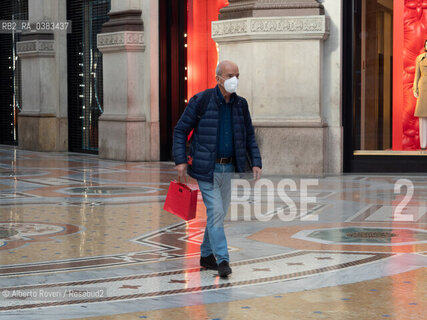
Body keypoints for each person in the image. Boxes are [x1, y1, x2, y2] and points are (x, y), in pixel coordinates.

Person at [172, 60, 262, 277]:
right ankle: (223, 260)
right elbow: (180, 130)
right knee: (216, 212)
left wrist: (256, 161)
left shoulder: (241, 105)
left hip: (229, 168)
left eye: (237, 75)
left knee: (217, 216)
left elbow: (249, 135)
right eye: (230, 75)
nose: (234, 80)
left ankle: (205, 255)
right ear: (218, 78)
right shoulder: (201, 100)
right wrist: (180, 160)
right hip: (206, 169)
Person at [413, 39, 427, 150]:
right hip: (423, 88)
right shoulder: (420, 58)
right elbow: (416, 75)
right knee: (422, 117)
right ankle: (423, 144)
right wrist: (415, 88)